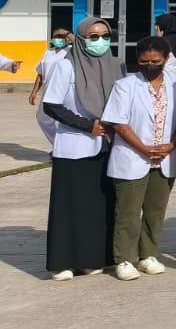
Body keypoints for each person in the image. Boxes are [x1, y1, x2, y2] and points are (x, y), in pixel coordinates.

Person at [41, 18, 121, 279]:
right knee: (69, 207)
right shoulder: (67, 65)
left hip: (105, 147)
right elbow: (51, 105)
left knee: (96, 207)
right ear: (81, 38)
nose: (100, 41)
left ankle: (91, 259)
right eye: (93, 36)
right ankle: (62, 263)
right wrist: (87, 125)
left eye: (105, 36)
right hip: (74, 148)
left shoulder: (114, 65)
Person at [102, 36, 176, 281]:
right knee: (127, 211)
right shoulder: (125, 85)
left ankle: (148, 254)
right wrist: (144, 148)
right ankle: (125, 258)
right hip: (133, 156)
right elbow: (119, 123)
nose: (150, 66)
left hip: (165, 158)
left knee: (155, 211)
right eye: (144, 61)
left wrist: (172, 145)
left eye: (155, 61)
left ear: (165, 59)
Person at [29, 26, 74, 142]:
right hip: (48, 92)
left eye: (62, 36)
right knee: (42, 119)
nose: (58, 38)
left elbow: (82, 46)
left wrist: (71, 37)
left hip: (66, 92)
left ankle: (66, 147)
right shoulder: (48, 52)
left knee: (67, 120)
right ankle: (56, 144)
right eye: (56, 36)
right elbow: (40, 73)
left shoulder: (71, 51)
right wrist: (34, 92)